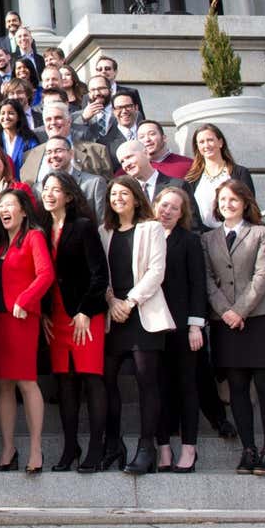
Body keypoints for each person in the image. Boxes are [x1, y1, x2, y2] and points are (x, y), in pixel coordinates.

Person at [202, 180, 265, 476]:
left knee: (264, 385)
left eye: (234, 199)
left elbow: (263, 275)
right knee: (236, 387)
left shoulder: (260, 233)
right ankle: (248, 449)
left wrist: (240, 310)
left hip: (258, 318)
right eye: (223, 199)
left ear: (245, 202)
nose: (228, 204)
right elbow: (208, 279)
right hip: (224, 321)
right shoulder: (208, 239)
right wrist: (225, 311)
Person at [99, 176, 175, 476]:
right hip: (113, 315)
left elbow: (157, 271)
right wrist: (112, 302)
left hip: (143, 315)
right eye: (114, 194)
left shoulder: (151, 227)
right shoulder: (104, 231)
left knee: (147, 382)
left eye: (124, 193)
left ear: (135, 197)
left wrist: (129, 302)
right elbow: (100, 273)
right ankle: (113, 442)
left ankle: (147, 448)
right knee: (106, 380)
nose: (118, 198)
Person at [38, 173, 109, 473]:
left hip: (84, 315)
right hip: (55, 316)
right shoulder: (41, 230)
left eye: (57, 189)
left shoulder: (83, 227)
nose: (49, 194)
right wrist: (43, 313)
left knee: (91, 379)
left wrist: (86, 311)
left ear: (69, 196)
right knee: (65, 383)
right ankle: (70, 446)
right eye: (46, 189)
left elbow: (99, 274)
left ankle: (96, 447)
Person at [0, 189, 55, 474]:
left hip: (21, 317)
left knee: (26, 381)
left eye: (9, 205)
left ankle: (36, 448)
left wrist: (24, 300)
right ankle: (8, 448)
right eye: (0, 206)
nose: (4, 210)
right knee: (3, 384)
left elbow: (46, 274)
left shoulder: (34, 236)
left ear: (24, 211)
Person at [152, 187, 207, 473]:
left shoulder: (189, 241)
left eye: (174, 207)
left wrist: (196, 324)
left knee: (186, 386)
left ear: (182, 213)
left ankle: (189, 448)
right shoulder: (146, 237)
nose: (167, 211)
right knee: (158, 388)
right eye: (163, 205)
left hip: (183, 325)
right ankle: (163, 448)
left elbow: (199, 284)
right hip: (152, 326)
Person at [185, 123, 257, 231]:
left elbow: (249, 206)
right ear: (197, 147)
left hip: (235, 235)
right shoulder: (191, 178)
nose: (206, 145)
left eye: (210, 140)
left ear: (220, 142)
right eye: (201, 142)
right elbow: (189, 213)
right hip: (202, 238)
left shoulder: (240, 173)